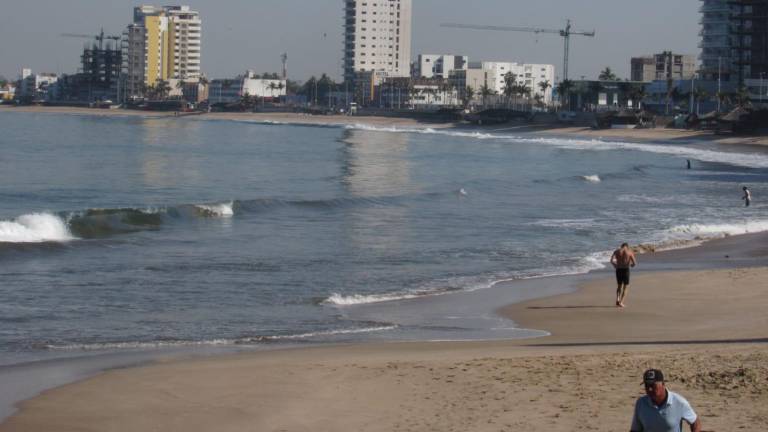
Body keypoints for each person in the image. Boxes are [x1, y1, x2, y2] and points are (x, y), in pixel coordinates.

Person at [631, 369, 701, 432]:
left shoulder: (679, 402)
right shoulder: (641, 403)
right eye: (647, 385)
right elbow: (635, 430)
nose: (649, 389)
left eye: (653, 385)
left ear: (663, 384)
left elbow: (695, 422)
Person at [610, 242, 637, 307]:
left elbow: (611, 260)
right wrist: (630, 265)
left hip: (618, 270)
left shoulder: (616, 251)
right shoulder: (629, 252)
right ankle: (621, 302)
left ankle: (617, 299)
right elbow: (634, 263)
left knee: (619, 286)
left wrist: (615, 265)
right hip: (625, 270)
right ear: (627, 246)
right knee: (625, 287)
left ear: (621, 246)